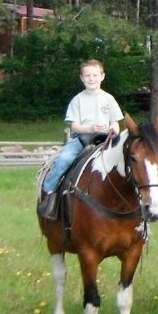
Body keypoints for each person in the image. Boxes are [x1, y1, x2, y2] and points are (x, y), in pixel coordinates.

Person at [39, 59, 123, 220]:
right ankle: (49, 192)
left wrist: (114, 129)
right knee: (64, 159)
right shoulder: (77, 100)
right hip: (83, 139)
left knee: (128, 160)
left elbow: (115, 122)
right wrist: (90, 128)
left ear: (102, 76)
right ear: (82, 78)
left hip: (106, 139)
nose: (91, 79)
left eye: (95, 75)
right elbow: (74, 126)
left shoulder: (108, 99)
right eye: (87, 76)